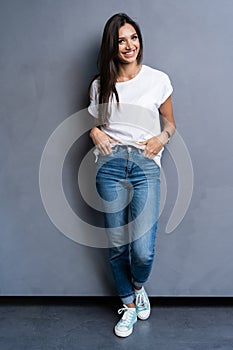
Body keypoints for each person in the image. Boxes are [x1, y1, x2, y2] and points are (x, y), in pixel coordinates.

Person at [88, 13, 176, 337]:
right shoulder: (100, 85)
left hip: (145, 164)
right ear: (112, 46)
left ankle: (138, 285)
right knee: (115, 244)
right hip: (109, 167)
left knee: (142, 249)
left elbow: (170, 123)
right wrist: (94, 132)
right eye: (122, 40)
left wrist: (161, 138)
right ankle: (126, 304)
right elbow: (96, 125)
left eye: (133, 38)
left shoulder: (157, 79)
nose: (129, 45)